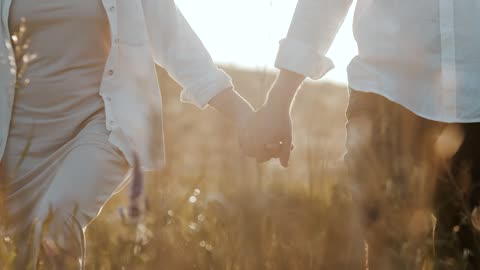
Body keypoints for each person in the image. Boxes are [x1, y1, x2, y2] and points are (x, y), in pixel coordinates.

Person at [0, 0, 254, 269]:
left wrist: (243, 115)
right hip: (18, 142)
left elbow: (174, 39)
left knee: (59, 217)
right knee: (20, 253)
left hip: (101, 125)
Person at [240, 1, 480, 269]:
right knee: (390, 251)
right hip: (386, 92)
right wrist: (279, 98)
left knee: (466, 255)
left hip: (475, 100)